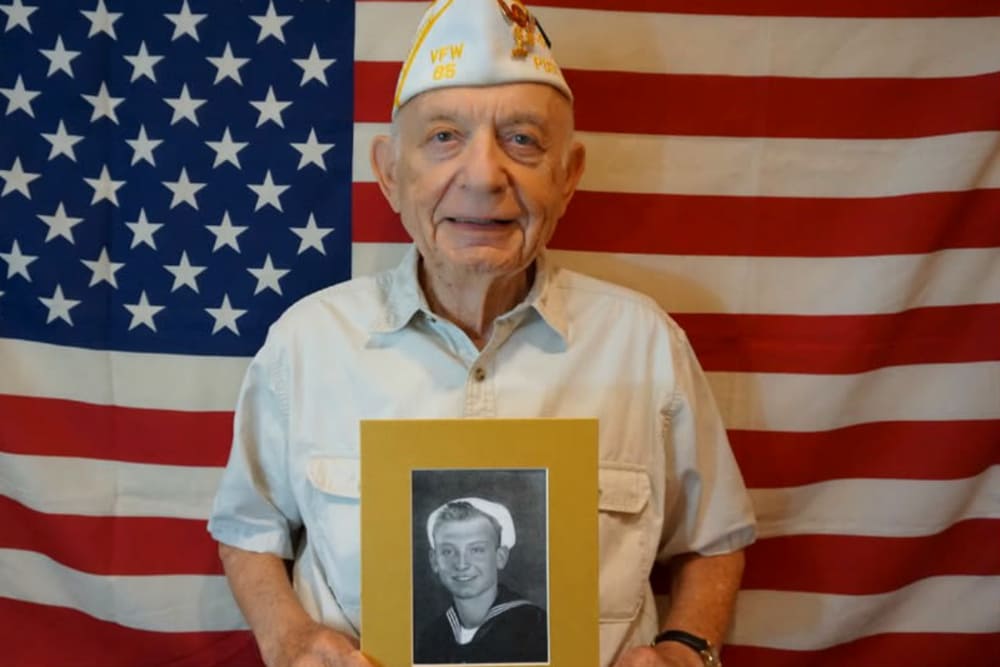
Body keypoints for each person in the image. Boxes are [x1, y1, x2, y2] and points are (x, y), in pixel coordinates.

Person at [208, 1, 756, 666]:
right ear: (390, 172)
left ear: (568, 176)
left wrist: (686, 646)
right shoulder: (307, 343)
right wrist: (289, 636)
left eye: (523, 139)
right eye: (443, 137)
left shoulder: (644, 344)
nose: (483, 174)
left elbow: (714, 535)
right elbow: (247, 529)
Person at [415, 498, 548, 664]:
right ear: (434, 561)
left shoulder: (534, 627)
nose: (462, 564)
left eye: (476, 550)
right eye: (448, 551)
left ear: (500, 557)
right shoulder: (432, 638)